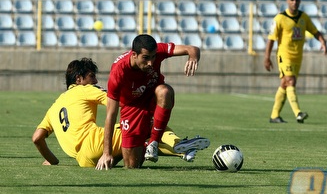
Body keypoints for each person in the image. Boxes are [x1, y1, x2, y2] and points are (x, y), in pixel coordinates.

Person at [32, 58, 209, 168]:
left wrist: (52, 161)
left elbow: (37, 138)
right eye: (91, 76)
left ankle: (181, 151)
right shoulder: (84, 89)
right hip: (96, 142)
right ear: (79, 79)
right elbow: (116, 100)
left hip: (83, 160)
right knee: (147, 123)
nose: (95, 80)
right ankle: (178, 145)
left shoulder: (54, 107)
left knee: (138, 147)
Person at [96, 34, 204, 170]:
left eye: (153, 57)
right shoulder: (118, 72)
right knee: (132, 165)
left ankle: (154, 142)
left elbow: (191, 48)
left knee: (165, 91)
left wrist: (193, 57)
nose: (151, 63)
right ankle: (163, 145)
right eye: (146, 58)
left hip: (153, 98)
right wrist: (107, 153)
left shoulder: (158, 50)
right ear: (134, 54)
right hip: (131, 108)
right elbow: (110, 115)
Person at [264, 0, 327, 124]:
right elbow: (271, 39)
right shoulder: (279, 18)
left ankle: (274, 115)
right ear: (287, 1)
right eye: (292, 0)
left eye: (297, 0)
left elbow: (315, 31)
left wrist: (322, 41)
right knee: (290, 81)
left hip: (298, 57)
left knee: (285, 84)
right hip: (284, 55)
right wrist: (267, 57)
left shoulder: (304, 17)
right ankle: (298, 113)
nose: (295, 3)